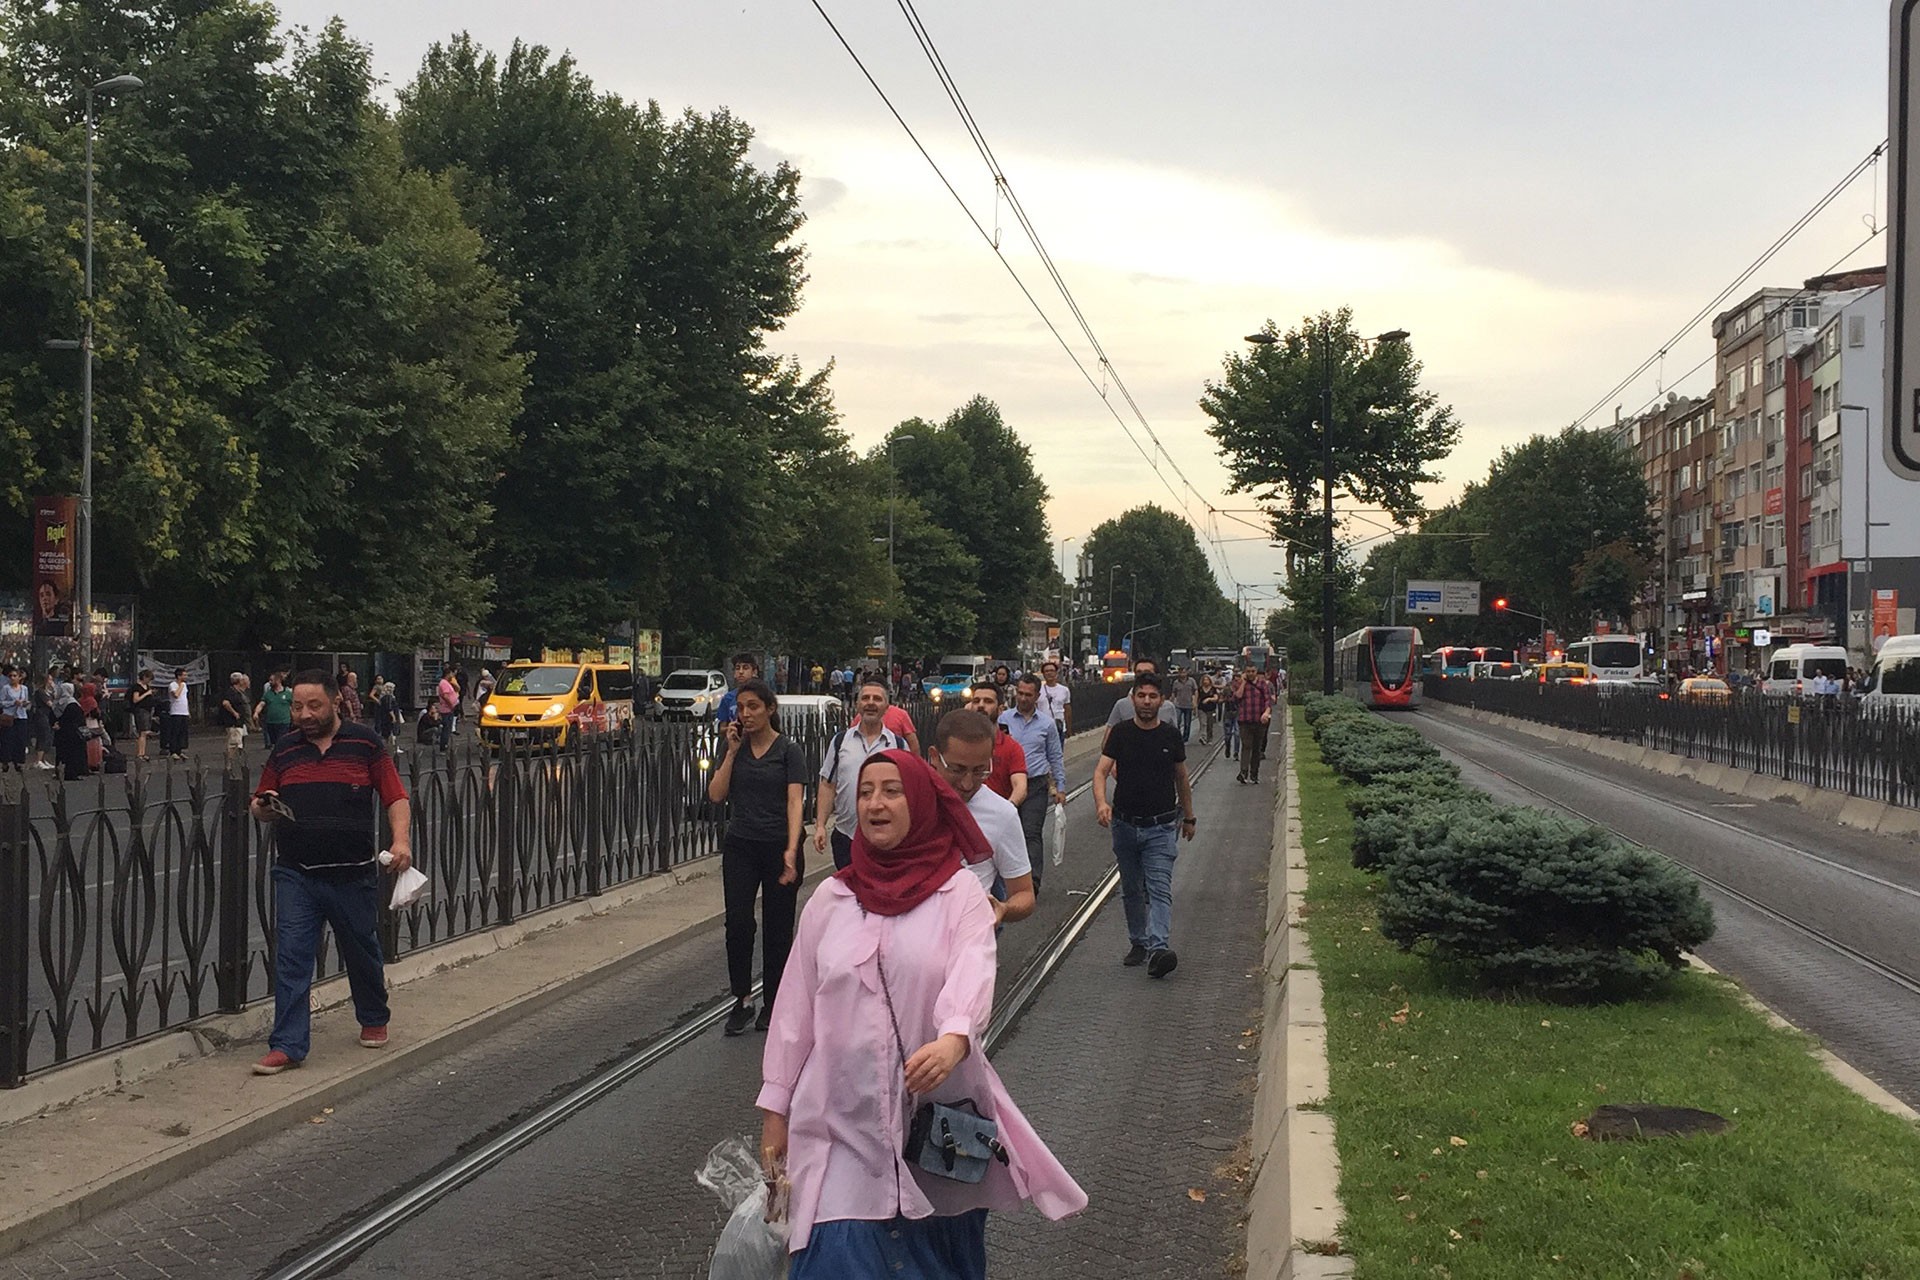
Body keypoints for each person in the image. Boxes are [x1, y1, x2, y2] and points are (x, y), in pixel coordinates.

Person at [758, 749, 1086, 1273]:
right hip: (839, 1129)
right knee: (835, 1258)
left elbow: (973, 972)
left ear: (922, 803)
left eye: (892, 791)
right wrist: (776, 1114)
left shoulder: (961, 896)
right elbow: (794, 1014)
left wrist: (954, 1039)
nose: (874, 803)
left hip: (936, 1135)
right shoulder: (829, 901)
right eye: (865, 792)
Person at [248, 671, 409, 1074]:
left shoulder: (365, 744)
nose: (304, 714)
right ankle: (287, 1045)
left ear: (336, 702)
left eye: (313, 705)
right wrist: (263, 806)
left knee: (361, 950)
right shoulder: (285, 750)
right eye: (298, 706)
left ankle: (373, 1016)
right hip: (296, 873)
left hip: (351, 874)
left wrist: (401, 841)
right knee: (292, 957)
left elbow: (395, 796)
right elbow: (259, 801)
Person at [706, 678, 807, 1037]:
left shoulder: (788, 751)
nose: (746, 714)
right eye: (742, 708)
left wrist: (792, 851)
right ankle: (742, 999)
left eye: (753, 707)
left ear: (769, 710)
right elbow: (716, 795)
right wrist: (732, 752)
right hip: (741, 845)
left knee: (777, 928)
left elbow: (795, 802)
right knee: (738, 923)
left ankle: (774, 1000)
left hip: (778, 844)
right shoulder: (734, 748)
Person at [1093, 672, 1195, 978]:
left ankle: (1159, 947)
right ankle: (1138, 940)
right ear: (1132, 698)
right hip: (1125, 824)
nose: (1147, 702)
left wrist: (1189, 817)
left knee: (1160, 887)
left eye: (1153, 696)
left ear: (1162, 700)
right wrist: (1101, 803)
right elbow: (1100, 772)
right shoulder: (1121, 733)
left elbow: (1182, 778)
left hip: (1162, 826)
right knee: (1132, 887)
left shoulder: (1169, 735)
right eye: (1141, 696)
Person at [929, 709, 1036, 925]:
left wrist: (1004, 909)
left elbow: (1025, 894)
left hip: (967, 948)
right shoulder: (906, 802)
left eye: (980, 771)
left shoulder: (1002, 814)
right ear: (934, 757)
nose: (968, 783)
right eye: (957, 770)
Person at [815, 678, 911, 871]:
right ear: (857, 704)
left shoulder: (898, 746)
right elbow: (827, 784)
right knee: (849, 896)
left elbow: (909, 792)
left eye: (877, 699)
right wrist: (819, 825)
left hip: (885, 837)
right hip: (846, 837)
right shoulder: (840, 742)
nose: (870, 703)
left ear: (886, 707)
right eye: (865, 698)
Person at [999, 674, 1065, 895]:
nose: (1023, 698)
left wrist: (1060, 787)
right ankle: (1007, 879)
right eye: (1020, 693)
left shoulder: (1047, 724)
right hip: (1007, 783)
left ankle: (1032, 882)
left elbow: (1055, 756)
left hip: (1035, 784)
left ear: (1037, 696)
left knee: (1031, 832)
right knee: (1005, 832)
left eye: (1028, 695)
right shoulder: (1004, 720)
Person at [966, 682, 1028, 807]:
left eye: (988, 701)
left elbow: (1020, 786)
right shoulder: (959, 744)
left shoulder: (1012, 747)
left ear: (1000, 710)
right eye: (976, 701)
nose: (981, 705)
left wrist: (1007, 809)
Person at [1104, 658, 1178, 730]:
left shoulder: (1168, 707)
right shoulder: (1121, 705)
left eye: (1147, 672)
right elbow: (1109, 734)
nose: (1146, 701)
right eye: (1139, 672)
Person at [1235, 665, 1276, 785]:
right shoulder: (1241, 684)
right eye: (1248, 671)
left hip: (1259, 721)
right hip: (1245, 720)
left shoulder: (1263, 684)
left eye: (1253, 671)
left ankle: (1254, 773)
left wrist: (1266, 712)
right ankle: (1243, 772)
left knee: (1256, 748)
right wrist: (1243, 682)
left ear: (1256, 672)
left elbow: (1268, 701)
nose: (1250, 673)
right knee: (1246, 746)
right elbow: (1237, 697)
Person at [715, 651, 760, 727]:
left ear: (754, 672)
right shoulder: (728, 698)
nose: (741, 672)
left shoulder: (762, 695)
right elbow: (721, 728)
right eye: (737, 668)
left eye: (745, 668)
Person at [0, 667, 30, 771]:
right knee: (7, 739)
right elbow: (1, 702)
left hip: (21, 716)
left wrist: (25, 704)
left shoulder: (24, 689)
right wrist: (13, 702)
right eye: (10, 676)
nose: (12, 678)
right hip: (9, 716)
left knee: (20, 739)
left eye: (14, 676)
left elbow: (26, 701)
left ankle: (18, 761)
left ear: (19, 677)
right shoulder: (6, 688)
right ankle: (5, 761)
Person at [254, 670, 294, 748]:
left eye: (271, 680)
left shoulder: (288, 693)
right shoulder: (268, 694)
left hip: (284, 722)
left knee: (281, 742)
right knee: (275, 743)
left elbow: (293, 706)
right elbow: (261, 704)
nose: (270, 682)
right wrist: (256, 712)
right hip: (271, 722)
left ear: (278, 680)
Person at [218, 672, 252, 760]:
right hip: (233, 723)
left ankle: (237, 761)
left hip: (240, 723)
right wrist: (234, 713)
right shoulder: (231, 692)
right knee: (234, 744)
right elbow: (225, 703)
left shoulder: (238, 692)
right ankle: (231, 763)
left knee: (239, 743)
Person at [54, 700, 90, 780]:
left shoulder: (60, 705)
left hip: (64, 735)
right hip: (75, 735)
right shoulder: (74, 706)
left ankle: (60, 772)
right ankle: (74, 773)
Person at [128, 669, 158, 761]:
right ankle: (140, 753)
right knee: (142, 731)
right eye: (148, 678)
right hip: (141, 710)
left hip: (148, 710)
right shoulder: (137, 687)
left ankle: (143, 752)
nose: (149, 681)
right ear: (144, 677)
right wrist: (146, 694)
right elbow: (136, 699)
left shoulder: (147, 686)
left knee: (145, 732)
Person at [1038, 659, 1072, 739]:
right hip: (1042, 728)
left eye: (1052, 670)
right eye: (1046, 671)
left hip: (1059, 728)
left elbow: (1067, 709)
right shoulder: (1038, 690)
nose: (1049, 673)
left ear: (1056, 673)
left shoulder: (1064, 690)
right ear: (1043, 674)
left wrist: (1068, 728)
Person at [164, 667, 192, 761]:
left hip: (184, 711)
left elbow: (185, 699)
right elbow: (176, 695)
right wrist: (181, 685)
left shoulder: (185, 685)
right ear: (179, 676)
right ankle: (173, 751)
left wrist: (188, 711)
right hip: (176, 712)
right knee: (175, 732)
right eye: (184, 675)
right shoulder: (173, 685)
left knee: (182, 732)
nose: (186, 677)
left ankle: (179, 750)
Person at [1170, 667, 1199, 743]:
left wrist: (1195, 701)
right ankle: (1178, 736)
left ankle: (1185, 737)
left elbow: (1195, 690)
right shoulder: (1176, 682)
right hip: (1179, 705)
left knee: (1187, 723)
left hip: (1188, 704)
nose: (1182, 674)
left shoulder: (1191, 681)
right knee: (1178, 721)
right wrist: (1171, 702)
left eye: (1184, 672)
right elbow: (1173, 693)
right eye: (1181, 672)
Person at [435, 667, 461, 751]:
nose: (452, 675)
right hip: (447, 709)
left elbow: (457, 689)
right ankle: (443, 746)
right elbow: (445, 696)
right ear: (448, 674)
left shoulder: (448, 682)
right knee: (446, 728)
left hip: (450, 708)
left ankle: (445, 744)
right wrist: (451, 705)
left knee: (448, 728)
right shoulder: (443, 683)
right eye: (451, 674)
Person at [1197, 674, 1221, 745]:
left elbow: (1216, 698)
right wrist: (1195, 706)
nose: (1205, 681)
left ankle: (1209, 739)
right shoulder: (1200, 689)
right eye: (1204, 680)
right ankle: (1203, 737)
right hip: (1201, 708)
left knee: (1210, 724)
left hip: (1211, 709)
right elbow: (1197, 698)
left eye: (1207, 680)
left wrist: (1209, 699)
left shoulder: (1213, 689)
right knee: (1203, 723)